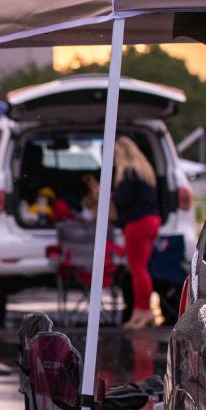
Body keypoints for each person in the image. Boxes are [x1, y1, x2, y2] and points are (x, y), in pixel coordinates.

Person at [85, 137, 159, 329]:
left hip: (137, 224)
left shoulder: (128, 173)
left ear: (120, 153)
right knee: (141, 269)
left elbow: (121, 202)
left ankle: (143, 311)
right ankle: (140, 311)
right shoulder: (144, 171)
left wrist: (104, 194)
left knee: (138, 270)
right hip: (151, 221)